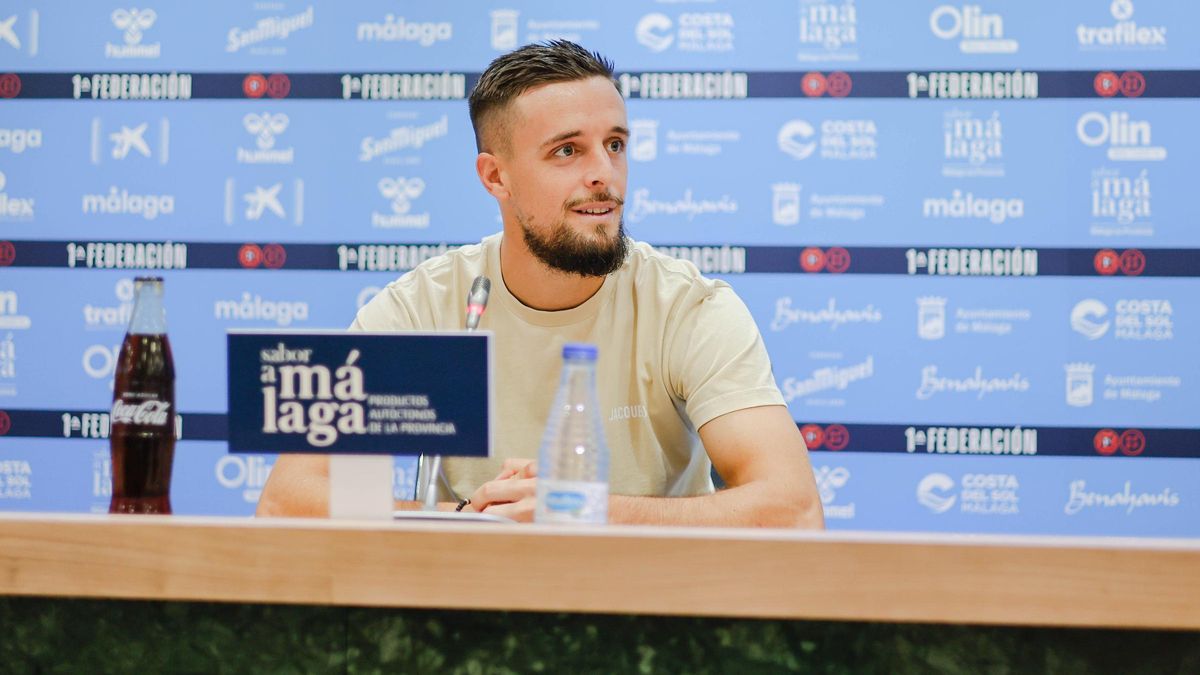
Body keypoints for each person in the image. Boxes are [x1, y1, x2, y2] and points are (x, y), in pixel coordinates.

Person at [257, 41, 823, 528]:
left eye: (616, 144)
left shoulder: (685, 306)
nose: (604, 172)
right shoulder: (427, 306)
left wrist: (583, 510)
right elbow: (294, 498)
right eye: (567, 150)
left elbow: (791, 510)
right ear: (495, 176)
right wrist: (473, 522)